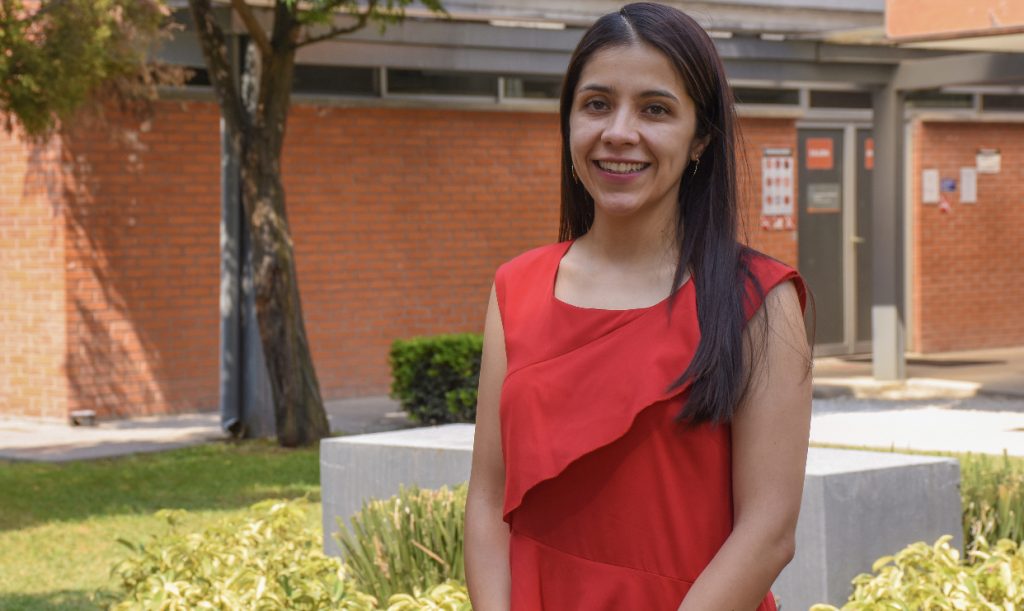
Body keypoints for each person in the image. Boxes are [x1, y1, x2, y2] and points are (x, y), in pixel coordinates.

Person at [464, 3, 812, 609]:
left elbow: (768, 533)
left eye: (655, 109)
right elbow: (489, 500)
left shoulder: (759, 299)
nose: (619, 132)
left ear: (701, 136)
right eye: (596, 104)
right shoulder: (513, 289)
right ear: (570, 121)